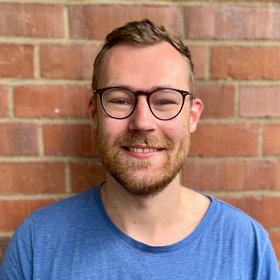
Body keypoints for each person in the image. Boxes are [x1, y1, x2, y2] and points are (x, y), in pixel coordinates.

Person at [0, 19, 279, 280]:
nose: (142, 122)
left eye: (165, 101)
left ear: (193, 117)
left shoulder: (247, 247)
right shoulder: (38, 244)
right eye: (121, 100)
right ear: (95, 114)